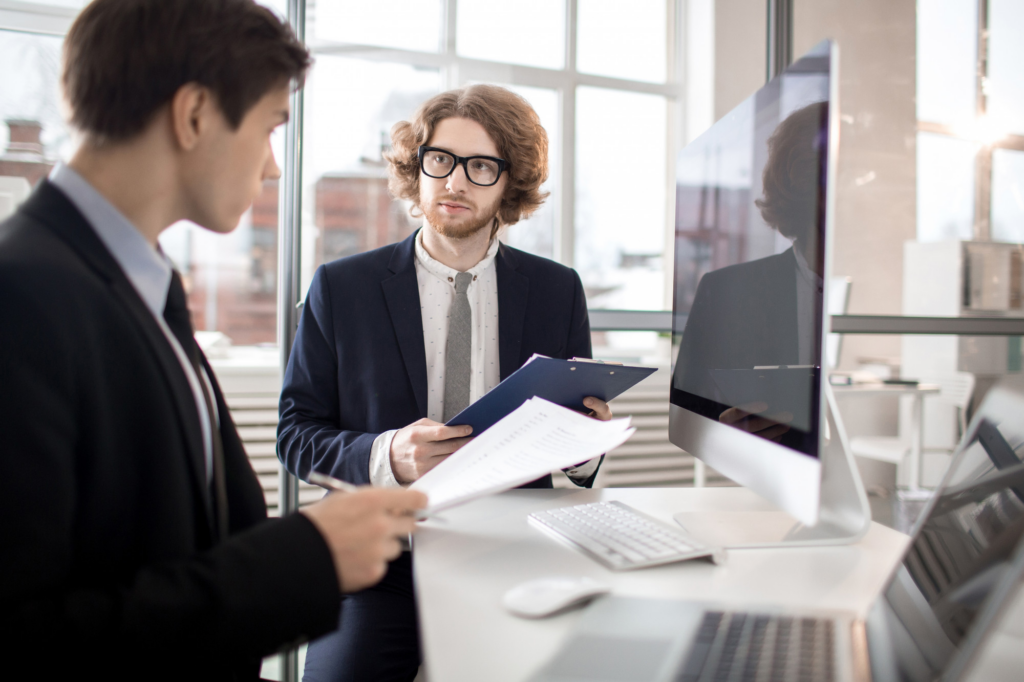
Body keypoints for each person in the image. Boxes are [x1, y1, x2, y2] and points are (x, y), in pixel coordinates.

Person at [0, 1, 426, 679]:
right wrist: (304, 558)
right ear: (195, 115)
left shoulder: (138, 282)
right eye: (268, 129)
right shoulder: (20, 297)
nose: (273, 168)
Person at [278, 84, 611, 681]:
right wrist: (387, 455)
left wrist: (585, 445)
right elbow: (296, 434)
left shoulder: (558, 291)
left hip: (514, 552)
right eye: (440, 160)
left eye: (481, 166)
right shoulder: (341, 287)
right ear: (417, 167)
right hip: (381, 562)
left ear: (511, 184)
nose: (455, 182)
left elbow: (576, 437)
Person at [672, 101, 829, 452]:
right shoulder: (726, 291)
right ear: (802, 187)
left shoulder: (902, 302)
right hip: (774, 484)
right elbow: (686, 419)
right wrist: (724, 434)